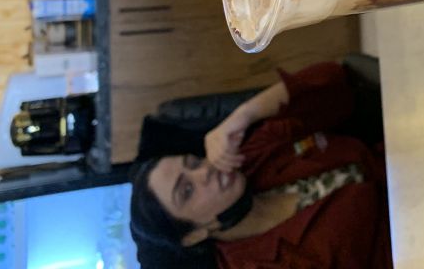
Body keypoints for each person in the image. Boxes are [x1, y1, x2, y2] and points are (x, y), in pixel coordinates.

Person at [129, 61, 393, 269]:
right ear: (194, 236)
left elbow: (336, 83)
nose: (204, 171)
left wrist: (243, 116)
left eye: (194, 162)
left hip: (402, 158)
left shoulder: (251, 155)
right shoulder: (257, 263)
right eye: (187, 190)